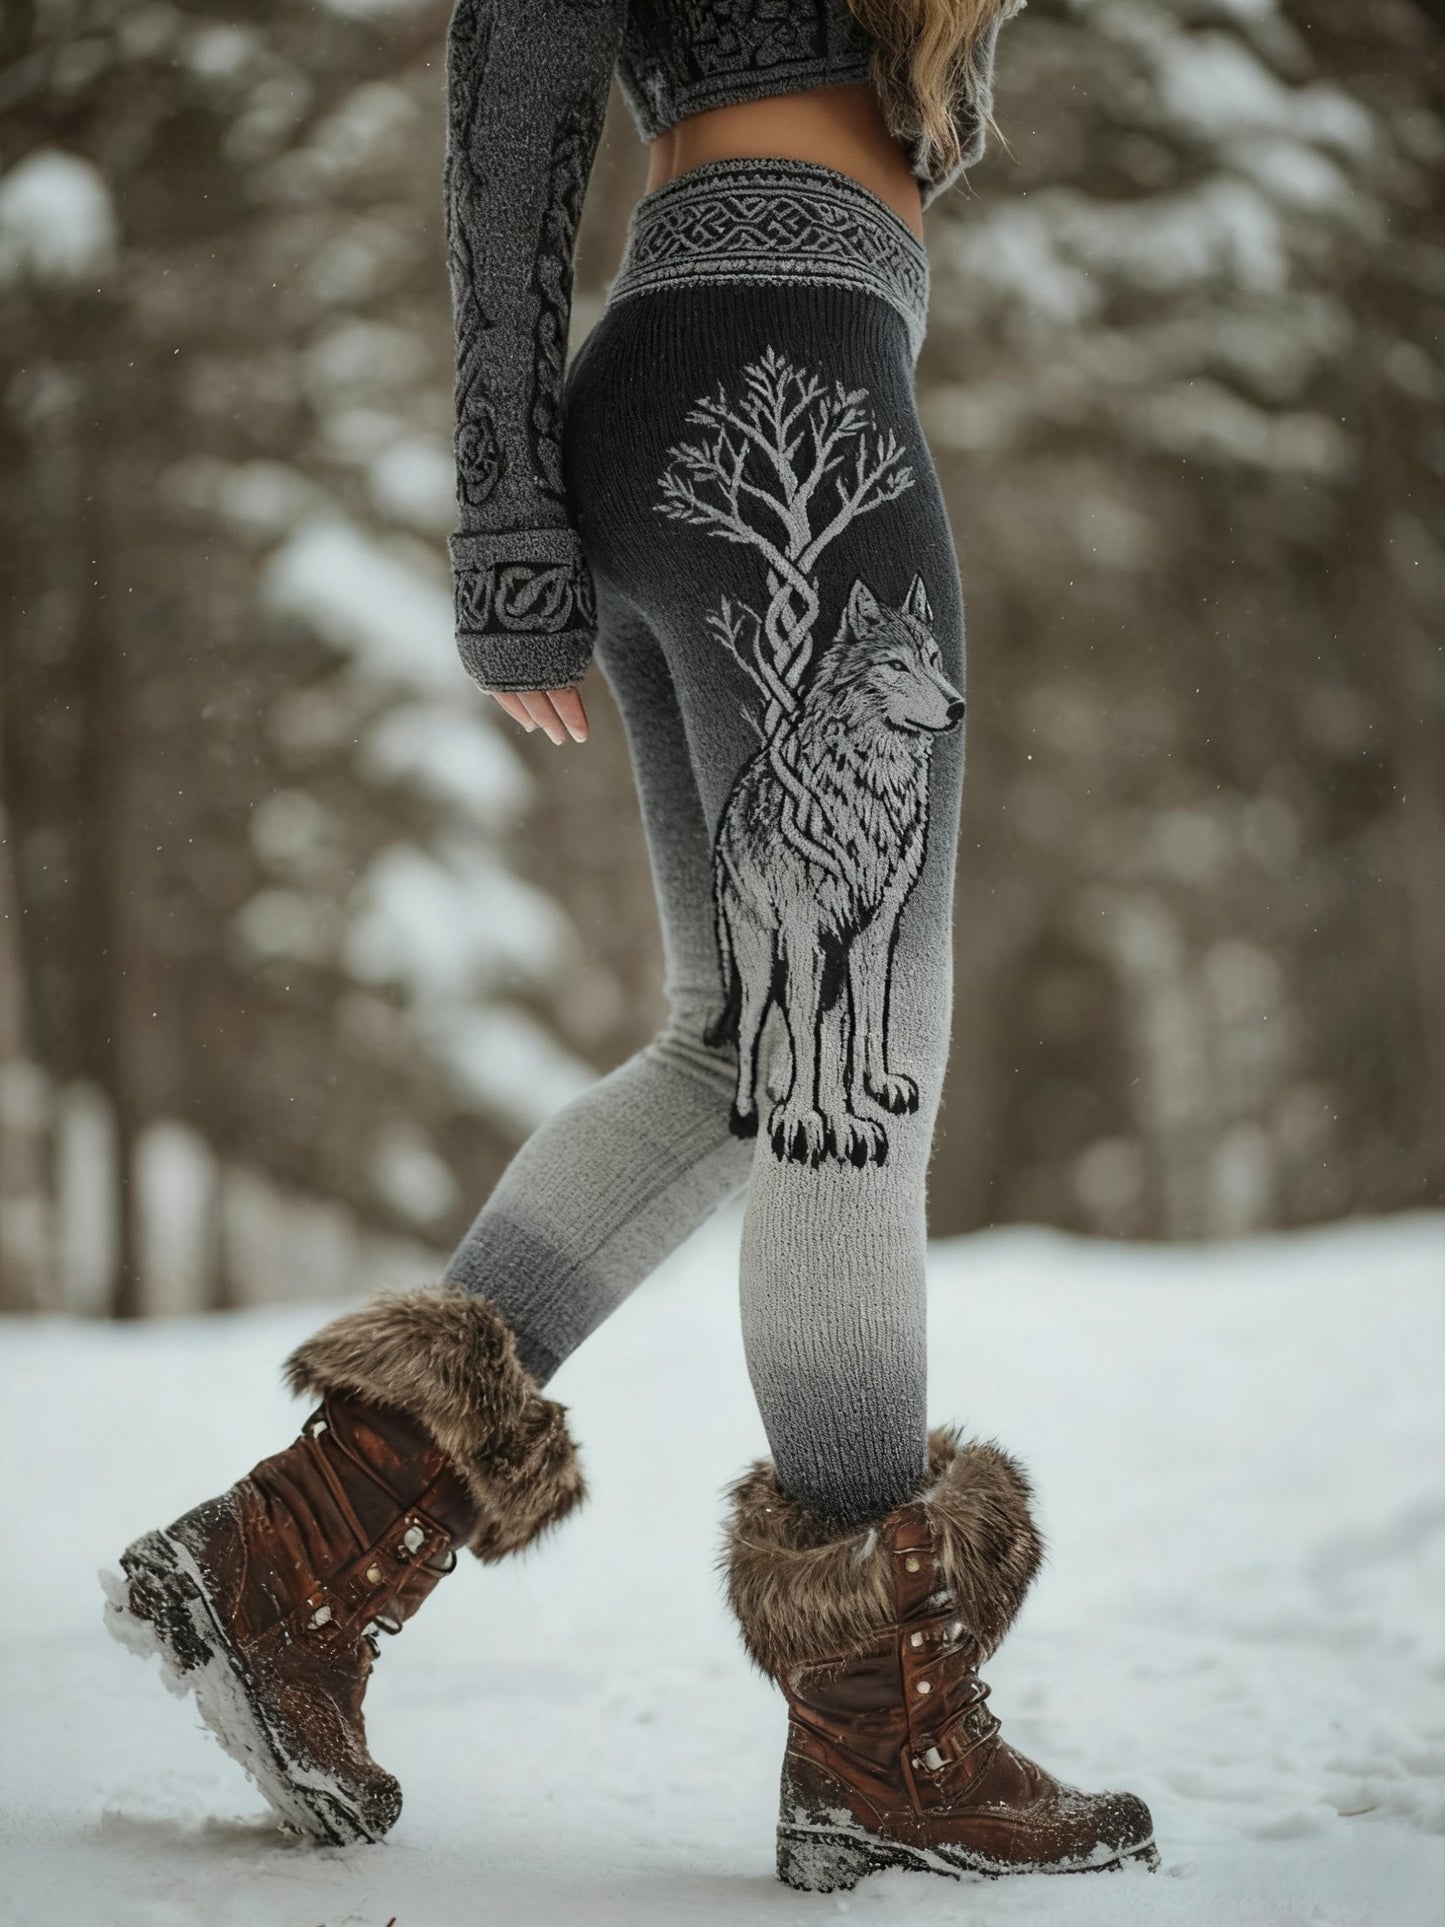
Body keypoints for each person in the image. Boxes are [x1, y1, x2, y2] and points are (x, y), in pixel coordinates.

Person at [103, 0, 1158, 1891]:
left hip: (701, 369)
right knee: (847, 1077)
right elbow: (515, 69)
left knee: (753, 1049)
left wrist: (530, 491)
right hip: (796, 402)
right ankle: (881, 1733)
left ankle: (298, 1547)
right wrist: (498, 521)